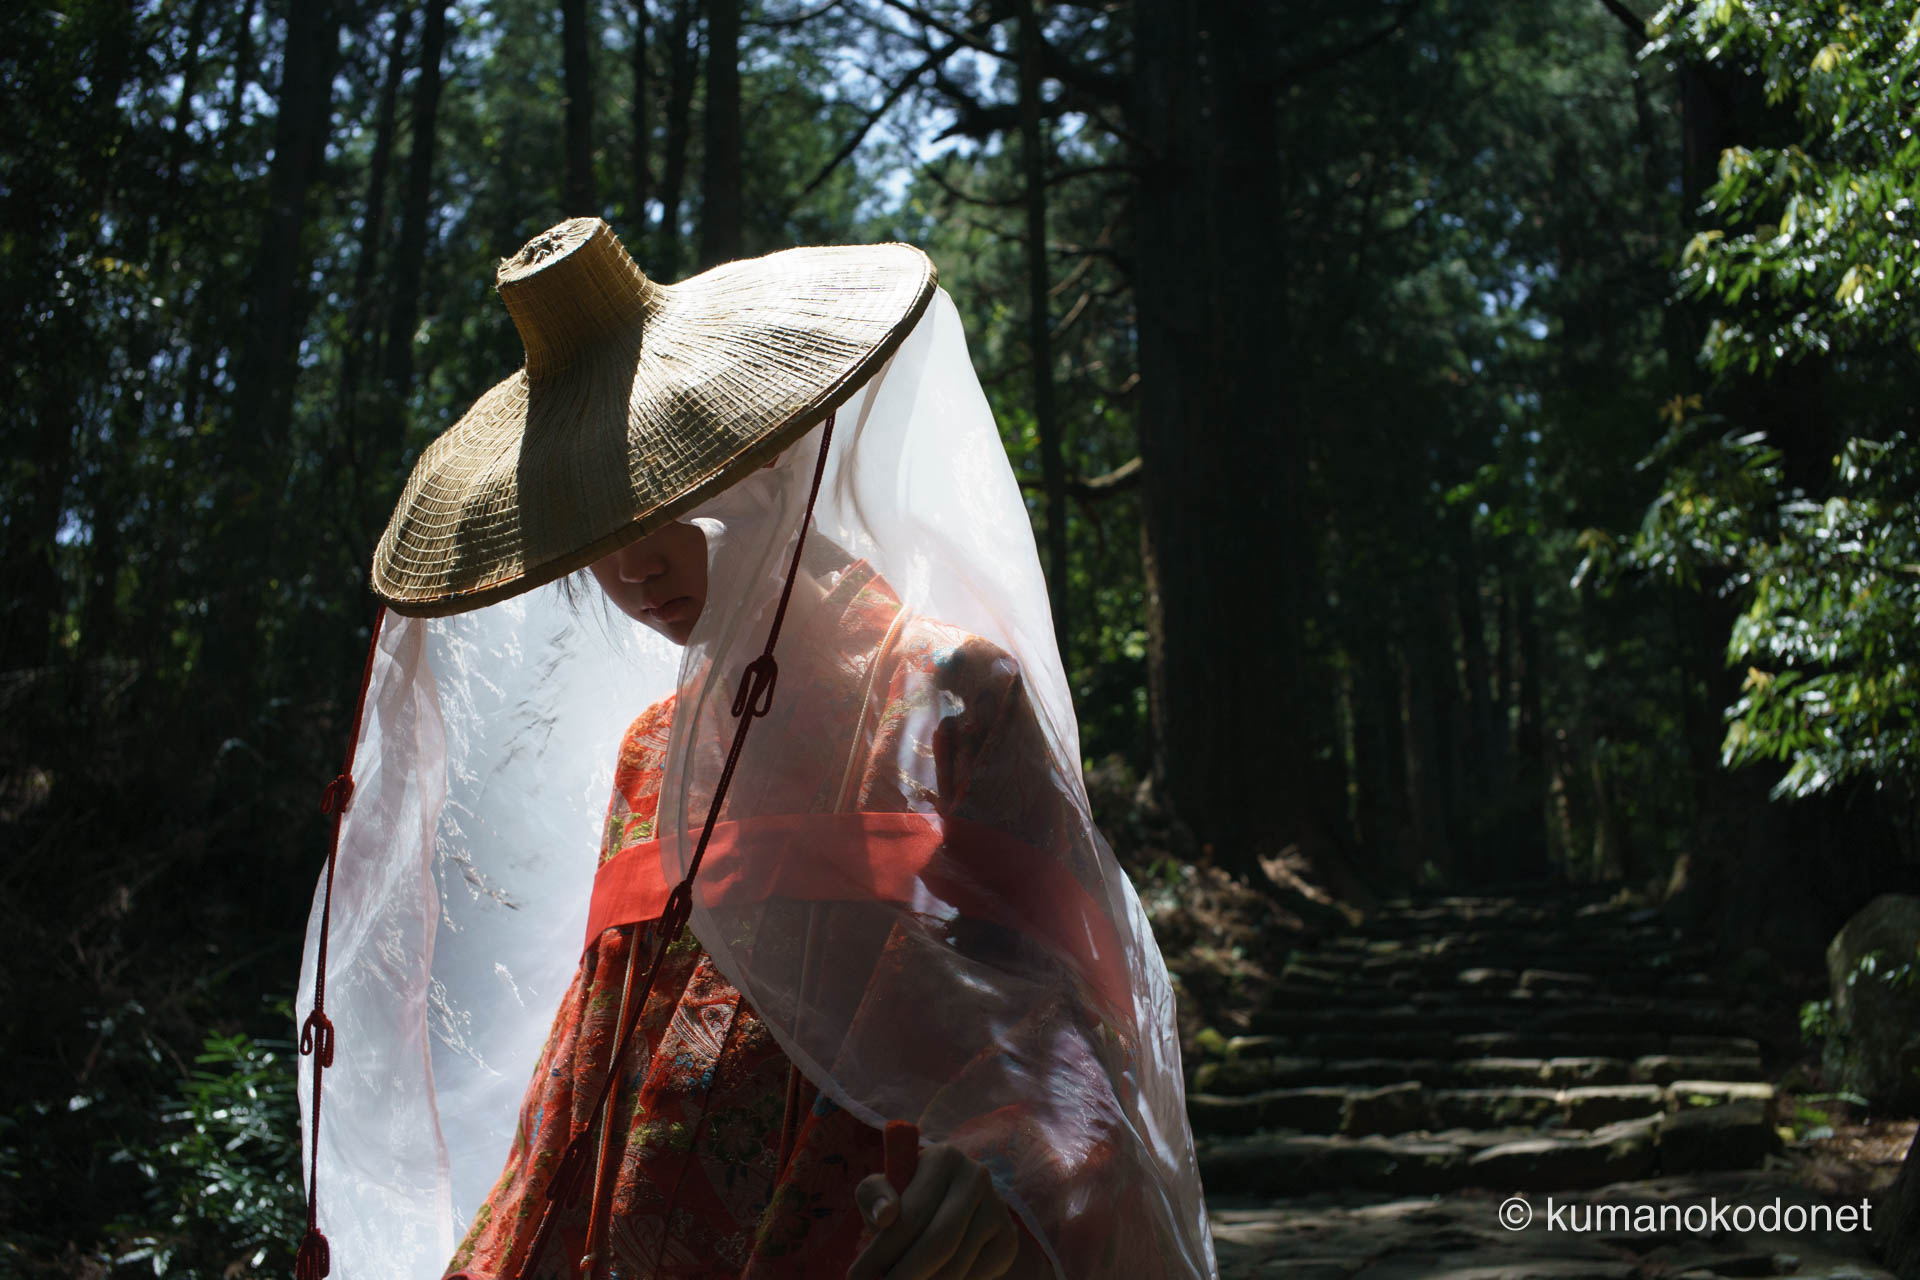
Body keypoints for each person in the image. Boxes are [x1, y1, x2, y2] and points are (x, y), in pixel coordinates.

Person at [296, 218, 1216, 1280]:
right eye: (596, 531)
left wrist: (1000, 1172)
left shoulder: (951, 697)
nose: (634, 565)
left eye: (672, 498)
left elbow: (1069, 1013)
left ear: (764, 463)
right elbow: (594, 1048)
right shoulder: (650, 752)